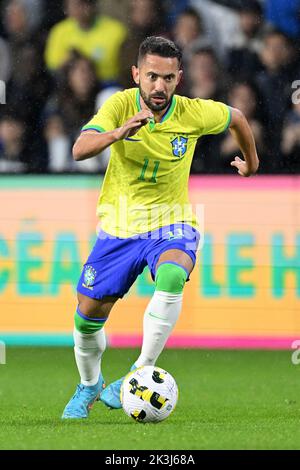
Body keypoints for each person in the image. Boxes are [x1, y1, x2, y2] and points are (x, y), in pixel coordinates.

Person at [62, 36, 259, 419]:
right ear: (137, 74)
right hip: (119, 227)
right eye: (151, 76)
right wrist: (117, 134)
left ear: (179, 78)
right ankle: (89, 385)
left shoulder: (192, 112)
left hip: (170, 222)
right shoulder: (119, 105)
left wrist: (251, 163)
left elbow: (237, 117)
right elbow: (79, 149)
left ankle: (140, 371)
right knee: (86, 318)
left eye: (168, 78)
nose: (159, 86)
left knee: (171, 276)